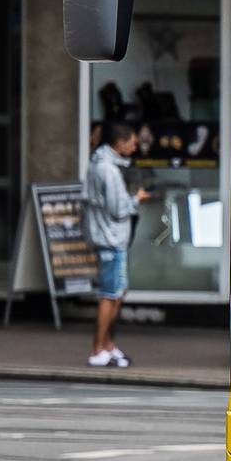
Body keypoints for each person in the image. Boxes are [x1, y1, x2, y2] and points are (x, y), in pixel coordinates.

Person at [84, 121, 150, 368]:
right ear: (119, 143)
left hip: (110, 237)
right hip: (110, 238)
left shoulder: (102, 164)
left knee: (117, 293)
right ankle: (98, 349)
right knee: (110, 295)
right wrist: (137, 199)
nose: (136, 146)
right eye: (132, 141)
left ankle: (108, 346)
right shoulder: (108, 170)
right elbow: (118, 208)